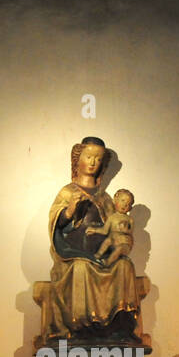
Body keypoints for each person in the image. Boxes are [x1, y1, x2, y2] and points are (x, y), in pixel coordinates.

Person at [41, 137, 142, 343]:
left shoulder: (105, 198)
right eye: (88, 156)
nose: (93, 162)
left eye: (98, 158)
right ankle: (81, 328)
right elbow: (55, 224)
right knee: (81, 268)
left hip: (102, 255)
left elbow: (112, 225)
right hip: (74, 255)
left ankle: (119, 326)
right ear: (77, 159)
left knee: (124, 266)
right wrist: (69, 211)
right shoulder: (67, 192)